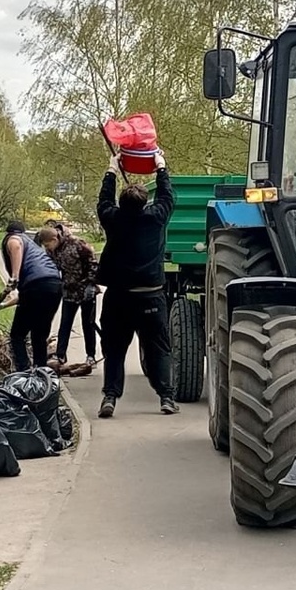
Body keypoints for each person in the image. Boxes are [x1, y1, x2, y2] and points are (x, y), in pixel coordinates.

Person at [95, 150, 176, 417]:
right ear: (145, 202)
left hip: (118, 297)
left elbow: (103, 200)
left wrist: (111, 169)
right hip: (151, 297)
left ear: (121, 203)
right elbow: (167, 196)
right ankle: (166, 397)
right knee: (158, 349)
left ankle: (110, 396)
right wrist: (160, 166)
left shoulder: (113, 219)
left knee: (115, 349)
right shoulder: (155, 219)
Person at [1, 220, 63, 372]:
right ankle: (41, 374)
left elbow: (15, 245)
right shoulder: (33, 247)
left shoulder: (13, 238)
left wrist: (14, 277)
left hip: (35, 287)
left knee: (17, 335)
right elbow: (26, 297)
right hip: (54, 286)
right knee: (39, 335)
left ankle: (24, 373)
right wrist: (1, 305)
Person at [36, 225, 99, 368]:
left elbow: (93, 263)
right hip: (69, 291)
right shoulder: (52, 250)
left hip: (85, 289)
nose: (48, 248)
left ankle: (91, 356)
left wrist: (90, 284)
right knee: (65, 323)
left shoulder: (77, 244)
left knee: (88, 324)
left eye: (48, 244)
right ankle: (60, 356)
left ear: (55, 238)